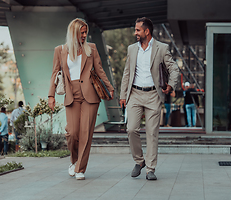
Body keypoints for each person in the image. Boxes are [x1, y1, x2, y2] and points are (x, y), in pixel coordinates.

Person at [48, 18, 114, 180]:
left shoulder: (91, 48)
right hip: (72, 95)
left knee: (86, 133)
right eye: (81, 32)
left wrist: (110, 87)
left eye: (86, 32)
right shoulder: (60, 50)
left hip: (90, 95)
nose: (84, 35)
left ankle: (80, 168)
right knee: (72, 132)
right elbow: (54, 73)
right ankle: (74, 160)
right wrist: (51, 95)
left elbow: (99, 70)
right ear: (73, 33)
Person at [120, 17, 179, 180]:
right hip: (135, 95)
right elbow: (127, 73)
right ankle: (139, 161)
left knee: (152, 133)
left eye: (138, 30)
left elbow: (174, 69)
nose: (135, 33)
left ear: (147, 31)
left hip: (154, 95)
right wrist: (122, 95)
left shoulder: (161, 48)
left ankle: (150, 169)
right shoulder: (132, 49)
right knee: (131, 129)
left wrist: (171, 85)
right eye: (135, 29)